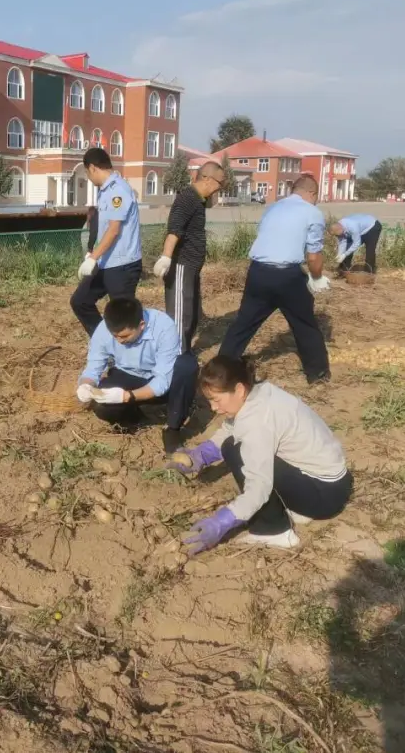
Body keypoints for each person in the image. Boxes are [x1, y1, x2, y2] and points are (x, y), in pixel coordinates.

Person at [168, 355, 353, 553]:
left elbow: (258, 487)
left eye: (216, 400)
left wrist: (223, 520)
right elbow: (232, 428)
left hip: (324, 495)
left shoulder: (258, 422)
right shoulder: (260, 393)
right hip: (332, 483)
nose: (214, 408)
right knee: (235, 446)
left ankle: (273, 530)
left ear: (239, 389)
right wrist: (202, 455)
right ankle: (296, 507)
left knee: (236, 451)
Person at [217, 174, 332, 384]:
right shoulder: (312, 212)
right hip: (287, 276)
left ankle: (221, 370)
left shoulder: (273, 208)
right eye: (316, 196)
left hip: (258, 272)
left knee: (244, 323)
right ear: (311, 193)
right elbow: (313, 256)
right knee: (304, 324)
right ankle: (318, 374)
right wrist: (316, 277)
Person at [76, 297, 198, 448]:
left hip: (162, 381)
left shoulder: (164, 327)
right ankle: (133, 416)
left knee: (186, 366)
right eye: (114, 336)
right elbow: (93, 368)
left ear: (141, 325)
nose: (119, 340)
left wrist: (126, 396)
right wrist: (86, 385)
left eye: (124, 336)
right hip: (128, 375)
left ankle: (173, 428)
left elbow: (162, 382)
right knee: (102, 406)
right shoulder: (104, 329)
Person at [153, 161, 226, 351]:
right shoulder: (187, 199)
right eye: (220, 183)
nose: (220, 188)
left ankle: (185, 354)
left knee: (191, 316)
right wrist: (166, 257)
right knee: (180, 318)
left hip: (191, 268)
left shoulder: (199, 200)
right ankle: (176, 359)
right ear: (207, 179)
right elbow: (175, 230)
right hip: (181, 266)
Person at [70, 147, 142, 336]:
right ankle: (104, 341)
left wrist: (93, 257)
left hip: (123, 265)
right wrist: (92, 251)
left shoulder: (118, 190)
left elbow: (114, 230)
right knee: (80, 301)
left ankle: (132, 350)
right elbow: (103, 227)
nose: (88, 178)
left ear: (92, 168)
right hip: (106, 262)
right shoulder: (104, 191)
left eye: (87, 173)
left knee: (124, 318)